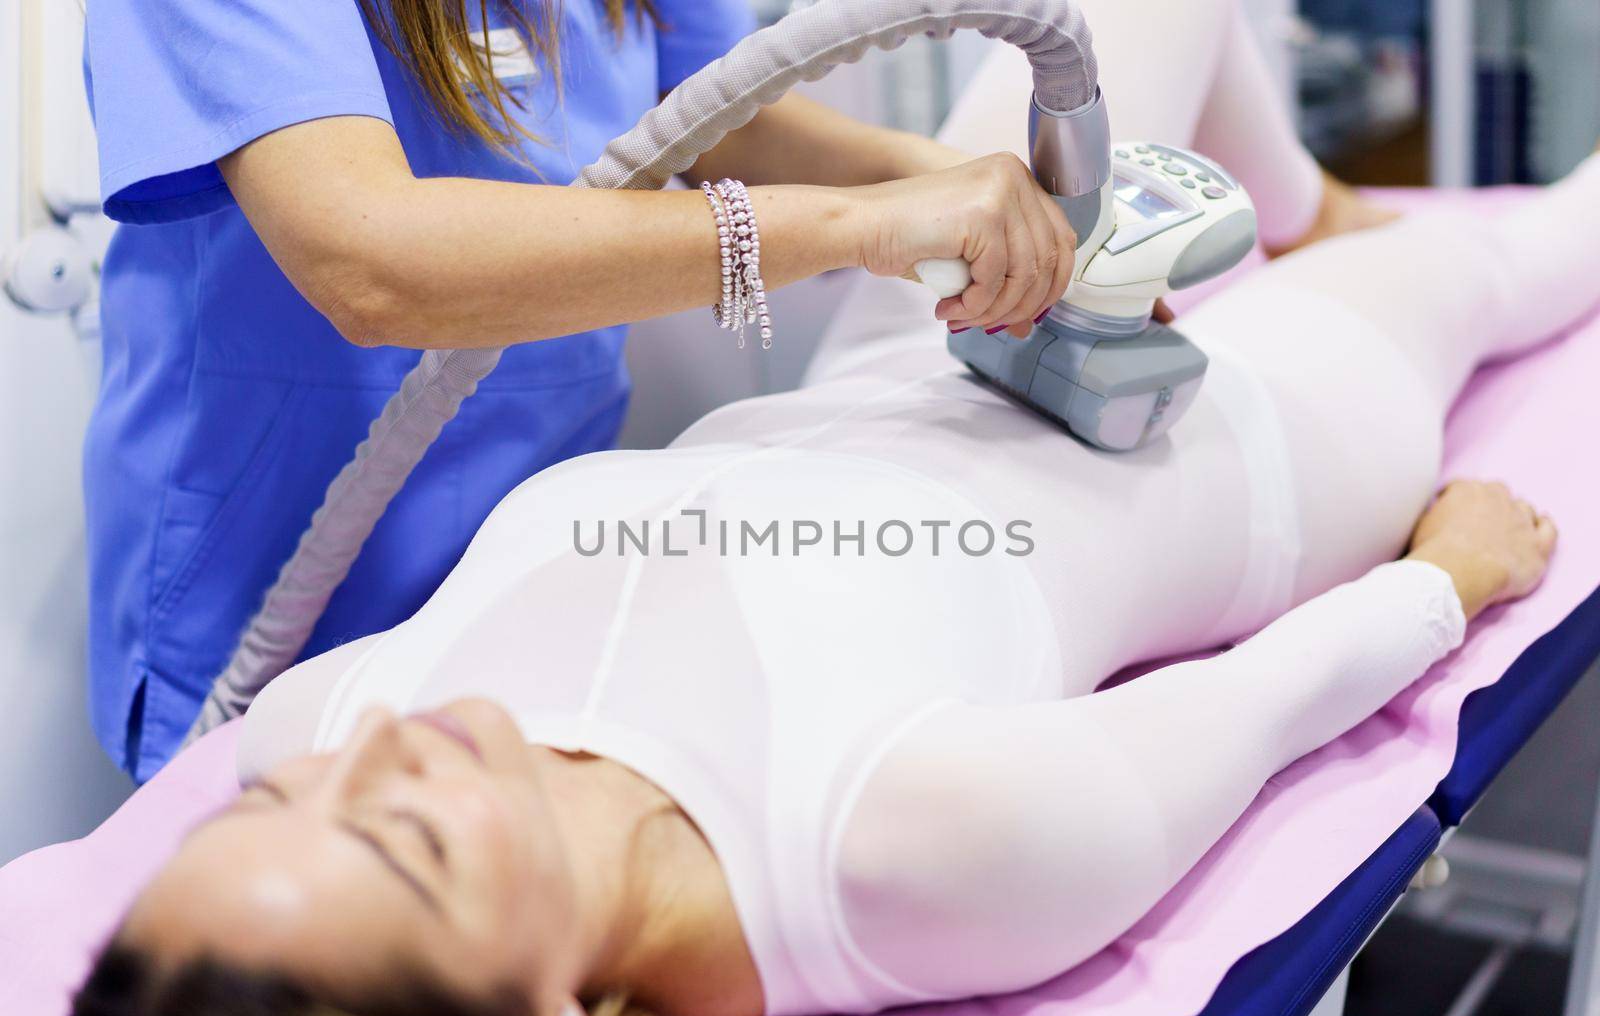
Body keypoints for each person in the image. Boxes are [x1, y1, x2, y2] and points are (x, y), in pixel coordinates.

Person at [67, 2, 1595, 1016]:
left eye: (273, 812)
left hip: (902, 362)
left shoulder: (320, 718)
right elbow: (1265, 708)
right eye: (400, 842)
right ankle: (1349, 243)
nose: (375, 762)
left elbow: (716, 109)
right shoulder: (910, 854)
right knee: (1507, 269)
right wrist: (1443, 580)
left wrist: (944, 195)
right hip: (1199, 447)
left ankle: (1310, 201)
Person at [84, 0, 1113, 781]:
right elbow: (369, 258)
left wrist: (969, 193)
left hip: (521, 560)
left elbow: (716, 114)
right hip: (277, 573)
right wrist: (861, 224)